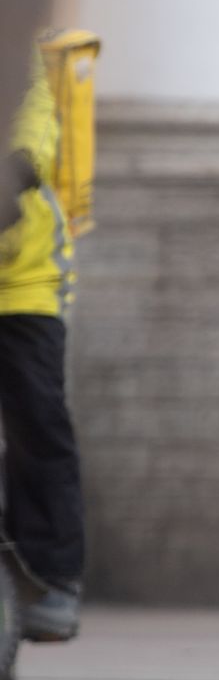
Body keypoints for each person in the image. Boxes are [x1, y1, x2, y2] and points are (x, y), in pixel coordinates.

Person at [0, 53, 81, 642]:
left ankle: (54, 575)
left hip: (25, 288)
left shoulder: (21, 64)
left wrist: (15, 169)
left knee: (38, 422)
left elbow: (33, 140)